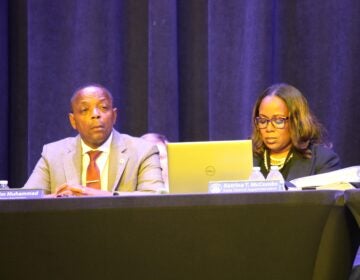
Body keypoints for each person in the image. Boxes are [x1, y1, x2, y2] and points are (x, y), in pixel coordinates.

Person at [23, 84, 165, 197]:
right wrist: (60, 198)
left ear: (114, 116)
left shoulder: (143, 151)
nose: (96, 115)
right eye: (85, 110)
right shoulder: (53, 154)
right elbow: (27, 199)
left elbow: (154, 196)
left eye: (103, 108)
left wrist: (93, 194)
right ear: (73, 121)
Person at [251, 83, 340, 181]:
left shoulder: (322, 161)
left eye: (278, 120)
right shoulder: (245, 157)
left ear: (296, 121)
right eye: (263, 121)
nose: (269, 129)